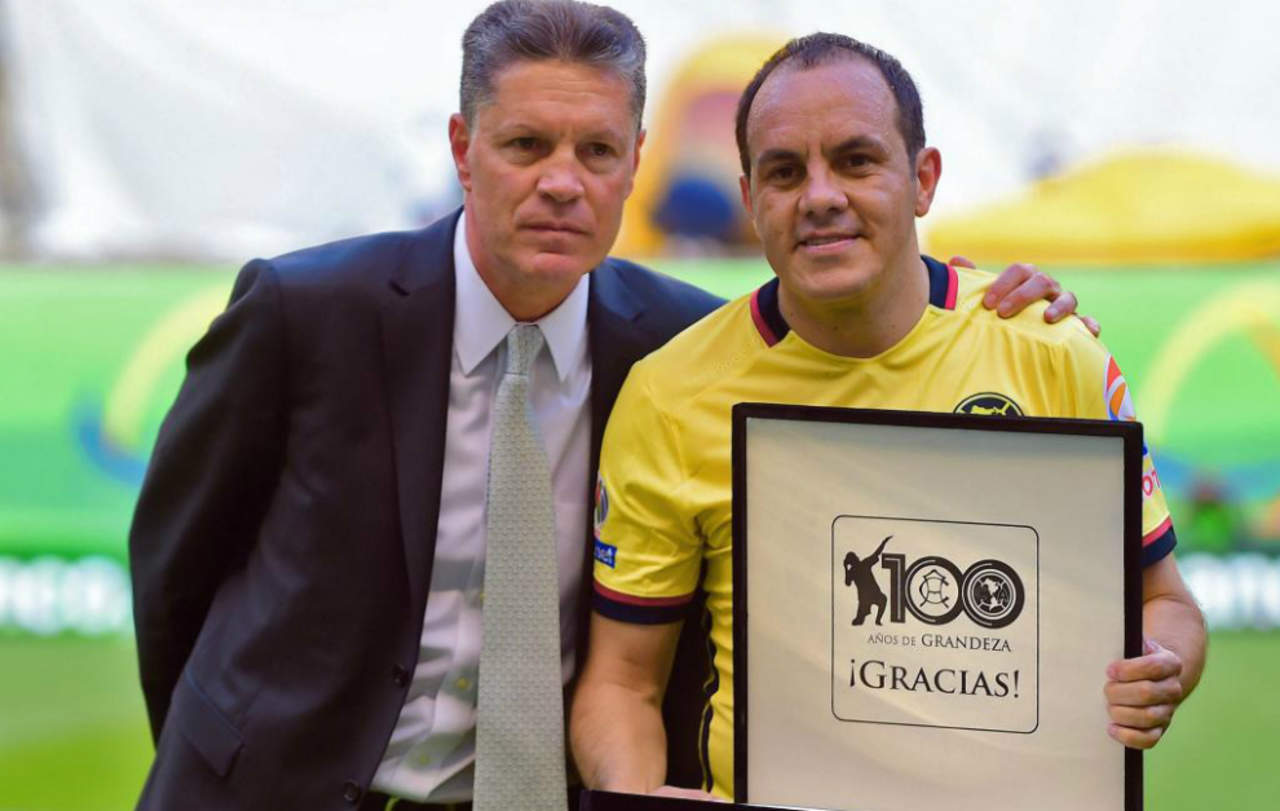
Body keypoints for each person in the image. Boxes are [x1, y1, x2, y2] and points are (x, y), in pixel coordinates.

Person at [128, 3, 1087, 809]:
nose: (561, 181)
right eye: (525, 145)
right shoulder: (305, 312)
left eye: (596, 150)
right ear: (464, 150)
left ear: (636, 162)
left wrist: (994, 301)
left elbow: (866, 323)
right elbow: (176, 566)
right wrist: (222, 754)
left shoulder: (682, 350)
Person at [570, 32, 1206, 802]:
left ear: (923, 178)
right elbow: (622, 683)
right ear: (750, 199)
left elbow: (1166, 604)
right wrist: (634, 798)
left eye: (856, 160)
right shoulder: (670, 395)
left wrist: (1159, 667)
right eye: (784, 171)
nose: (820, 196)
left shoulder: (1051, 352)